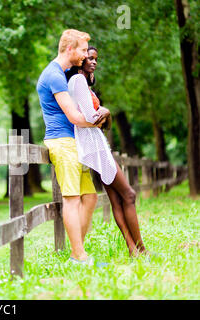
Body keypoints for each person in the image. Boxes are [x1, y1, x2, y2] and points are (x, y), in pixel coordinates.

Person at [65, 46, 149, 257]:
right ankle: (141, 249)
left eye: (96, 59)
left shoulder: (82, 83)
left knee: (117, 199)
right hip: (94, 146)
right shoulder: (78, 81)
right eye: (90, 58)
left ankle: (133, 249)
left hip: (95, 144)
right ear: (80, 61)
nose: (94, 62)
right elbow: (92, 118)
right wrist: (106, 111)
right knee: (129, 195)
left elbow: (100, 122)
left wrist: (104, 116)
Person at [36, 29, 109, 265]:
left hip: (75, 141)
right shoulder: (54, 75)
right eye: (81, 50)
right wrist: (101, 119)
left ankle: (77, 252)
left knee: (90, 197)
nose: (85, 55)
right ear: (70, 49)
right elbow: (75, 116)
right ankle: (78, 255)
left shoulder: (64, 72)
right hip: (62, 142)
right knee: (72, 198)